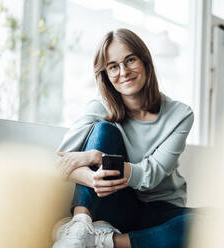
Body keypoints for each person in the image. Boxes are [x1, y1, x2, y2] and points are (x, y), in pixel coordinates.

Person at [52, 29, 194, 248]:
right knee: (104, 130)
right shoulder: (100, 107)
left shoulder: (180, 115)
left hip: (162, 208)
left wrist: (99, 158)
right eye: (113, 66)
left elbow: (150, 175)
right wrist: (92, 178)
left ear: (145, 61)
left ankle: (106, 242)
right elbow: (60, 161)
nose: (123, 71)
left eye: (130, 60)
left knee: (214, 223)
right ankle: (80, 227)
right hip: (116, 201)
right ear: (106, 75)